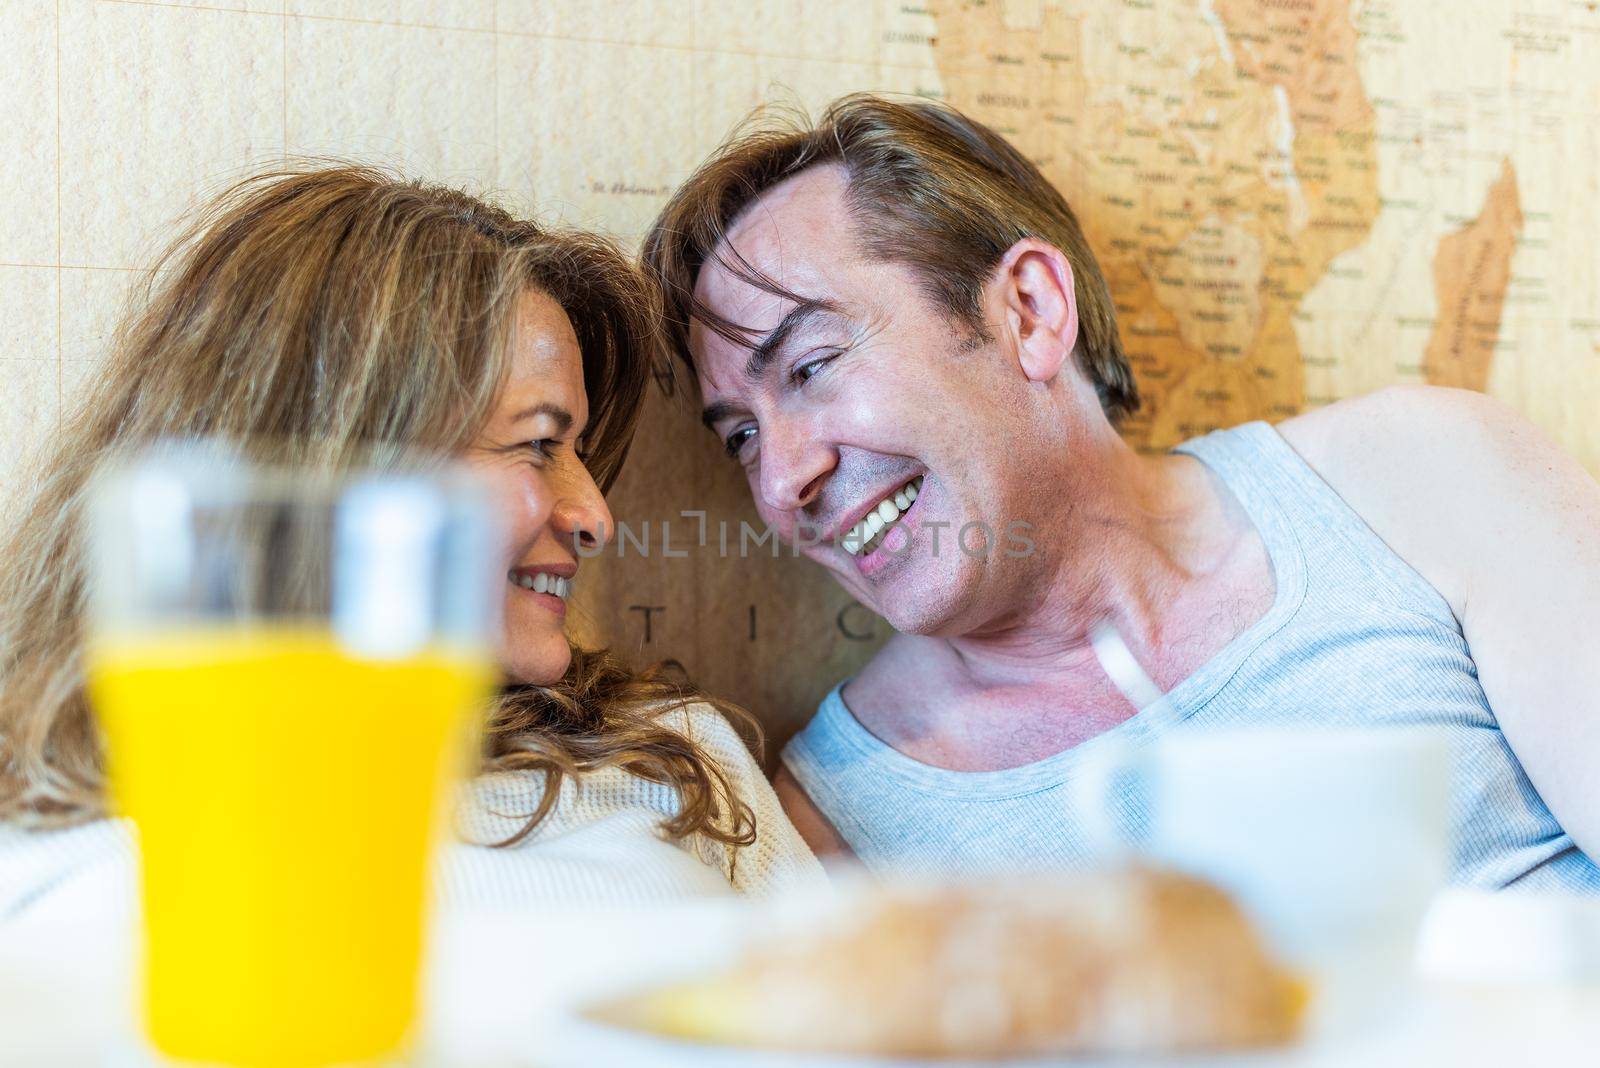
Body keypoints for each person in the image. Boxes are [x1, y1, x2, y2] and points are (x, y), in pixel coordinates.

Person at [642, 94, 1600, 889]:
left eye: (811, 366)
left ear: (1030, 311)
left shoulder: (1428, 477)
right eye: (740, 436)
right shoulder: (835, 825)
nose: (781, 479)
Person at [0, 166, 823, 922]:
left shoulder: (671, 761)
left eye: (581, 453)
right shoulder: (62, 839)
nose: (594, 516)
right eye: (538, 445)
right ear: (339, 458)